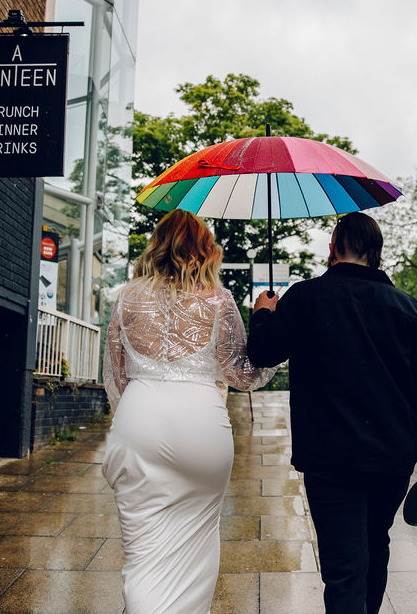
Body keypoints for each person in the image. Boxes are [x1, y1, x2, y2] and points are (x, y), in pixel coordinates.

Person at [246, 211, 417, 614]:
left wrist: (264, 313)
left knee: (344, 567)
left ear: (332, 248)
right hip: (392, 455)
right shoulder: (407, 308)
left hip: (330, 455)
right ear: (377, 253)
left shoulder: (305, 298)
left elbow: (262, 353)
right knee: (376, 545)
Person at [101, 209, 276, 613]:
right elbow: (244, 374)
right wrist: (267, 320)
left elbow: (116, 375)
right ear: (204, 249)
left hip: (139, 418)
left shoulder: (127, 297)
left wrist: (132, 420)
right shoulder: (218, 300)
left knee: (142, 553)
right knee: (197, 540)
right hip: (201, 425)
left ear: (159, 245)